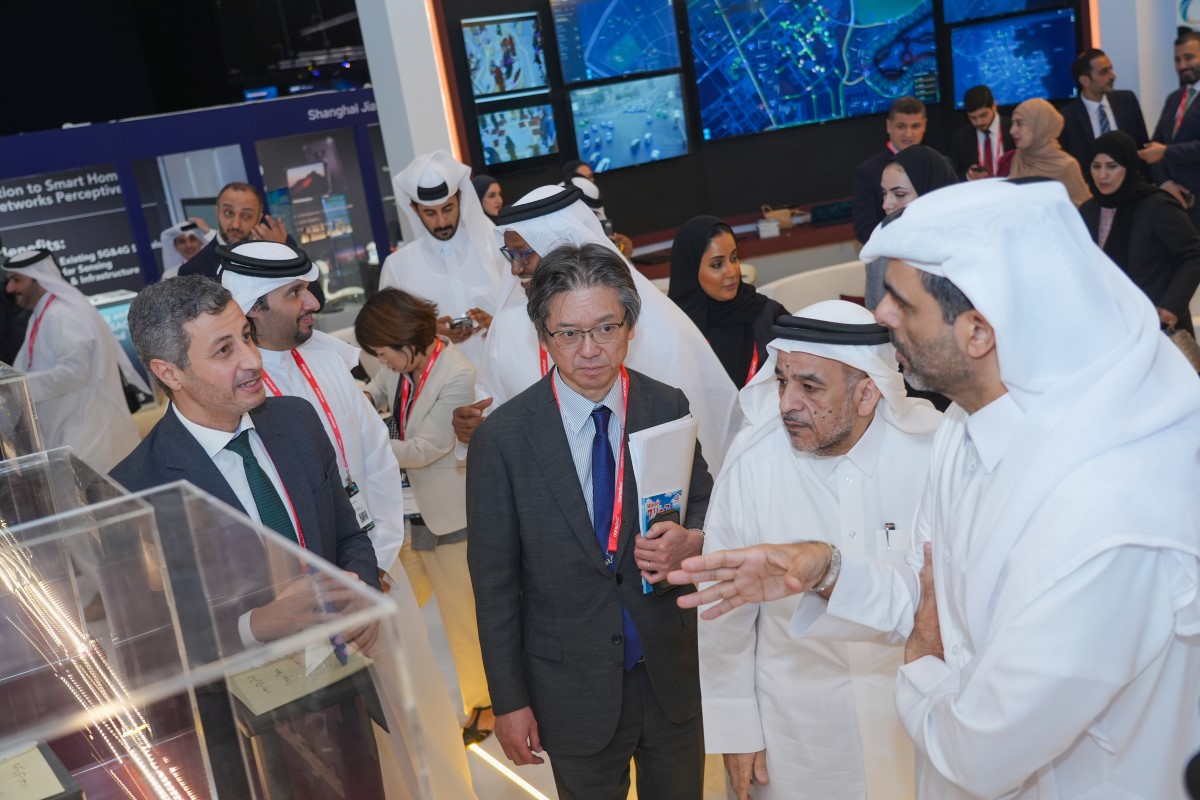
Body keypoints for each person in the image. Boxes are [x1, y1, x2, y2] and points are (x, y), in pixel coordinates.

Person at [671, 179, 1200, 799]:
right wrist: (826, 569)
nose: (882, 318)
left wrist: (922, 660)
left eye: (902, 302)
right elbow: (928, 598)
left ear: (978, 331)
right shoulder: (962, 433)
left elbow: (982, 748)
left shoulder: (1104, 505)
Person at [111, 275, 478, 800]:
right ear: (170, 372)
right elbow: (148, 649)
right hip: (246, 730)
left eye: (246, 336)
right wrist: (255, 626)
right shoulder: (135, 490)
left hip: (346, 694)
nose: (253, 360)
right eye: (224, 349)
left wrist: (357, 587)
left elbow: (347, 532)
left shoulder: (295, 421)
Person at [467, 242, 713, 799]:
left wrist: (693, 538)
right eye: (569, 333)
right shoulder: (503, 440)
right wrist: (509, 701)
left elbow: (703, 500)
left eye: (605, 328)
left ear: (630, 325)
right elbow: (494, 587)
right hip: (570, 687)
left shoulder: (666, 406)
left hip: (670, 672)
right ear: (543, 335)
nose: (590, 350)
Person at [700, 300, 940, 800]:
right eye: (782, 382)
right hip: (797, 732)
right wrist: (737, 730)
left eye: (809, 387)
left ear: (867, 393)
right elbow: (723, 611)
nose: (787, 403)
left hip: (915, 716)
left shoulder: (934, 452)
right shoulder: (753, 462)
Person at [461, 185, 741, 476]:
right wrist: (474, 425)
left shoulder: (655, 327)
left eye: (524, 254)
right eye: (511, 255)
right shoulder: (506, 325)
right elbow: (493, 404)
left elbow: (683, 433)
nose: (515, 269)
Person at [216, 240, 405, 580]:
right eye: (295, 293)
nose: (314, 302)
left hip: (378, 559)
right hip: (301, 583)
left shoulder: (327, 359)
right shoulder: (233, 391)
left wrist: (378, 559)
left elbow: (377, 456)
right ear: (253, 307)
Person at [355, 288, 494, 746]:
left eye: (383, 353)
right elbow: (373, 391)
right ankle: (404, 699)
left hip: (447, 514)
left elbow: (424, 449)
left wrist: (362, 439)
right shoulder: (401, 365)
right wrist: (356, 400)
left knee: (462, 617)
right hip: (403, 514)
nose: (381, 362)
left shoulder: (457, 374)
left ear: (407, 342)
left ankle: (485, 703)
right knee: (398, 610)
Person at [3, 248, 149, 472]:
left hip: (87, 428)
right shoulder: (44, 314)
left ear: (37, 279)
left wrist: (19, 387)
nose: (10, 288)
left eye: (16, 280)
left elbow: (74, 373)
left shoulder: (62, 314)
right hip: (70, 423)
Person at [379, 150, 503, 368]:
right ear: (415, 210)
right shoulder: (397, 267)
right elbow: (386, 336)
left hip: (503, 378)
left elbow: (527, 313)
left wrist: (497, 324)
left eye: (448, 208)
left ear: (460, 199)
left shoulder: (495, 247)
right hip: (444, 384)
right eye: (430, 213)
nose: (442, 222)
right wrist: (428, 332)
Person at [1080, 131, 1200, 335]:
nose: (1102, 175)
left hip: (1157, 321)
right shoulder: (1089, 210)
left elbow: (1193, 255)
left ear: (1128, 167)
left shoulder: (1156, 204)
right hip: (1108, 323)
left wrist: (1171, 305)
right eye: (1096, 166)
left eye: (1112, 166)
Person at [666, 214, 786, 388]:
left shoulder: (767, 314)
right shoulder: (676, 329)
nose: (732, 272)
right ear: (691, 270)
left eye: (734, 258)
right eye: (717, 265)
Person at [868, 145, 958, 310]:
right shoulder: (880, 248)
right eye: (884, 193)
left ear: (931, 193)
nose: (886, 204)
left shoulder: (963, 247)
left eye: (899, 195)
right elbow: (876, 315)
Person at [1141, 29, 1200, 224]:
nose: (1182, 66)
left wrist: (1166, 152)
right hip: (1174, 201)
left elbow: (1161, 150)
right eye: (1177, 60)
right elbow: (1154, 147)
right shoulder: (1174, 98)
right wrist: (1165, 182)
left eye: (1189, 58)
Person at [1059, 49, 1150, 173]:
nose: (1113, 76)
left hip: (1130, 181)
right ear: (1085, 80)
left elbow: (1143, 146)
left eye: (1111, 69)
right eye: (1104, 72)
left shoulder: (1127, 100)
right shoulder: (1066, 117)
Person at [177, 182, 291, 279]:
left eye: (246, 216)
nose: (236, 225)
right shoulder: (191, 271)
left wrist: (280, 255)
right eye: (228, 213)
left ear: (258, 218)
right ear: (217, 212)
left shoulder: (282, 245)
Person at [852, 96, 927, 243]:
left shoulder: (940, 164)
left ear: (924, 126)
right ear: (888, 126)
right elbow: (865, 230)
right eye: (901, 126)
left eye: (915, 126)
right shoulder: (867, 172)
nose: (908, 134)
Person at [997, 98, 1092, 206]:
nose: (1012, 131)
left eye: (1019, 123)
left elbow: (1082, 209)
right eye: (1012, 123)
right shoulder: (1009, 160)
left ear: (1040, 126)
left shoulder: (1066, 167)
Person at [948, 85, 1013, 179]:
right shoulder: (959, 139)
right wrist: (968, 176)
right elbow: (952, 176)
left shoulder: (1013, 129)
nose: (979, 122)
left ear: (994, 106)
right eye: (973, 118)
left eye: (983, 115)